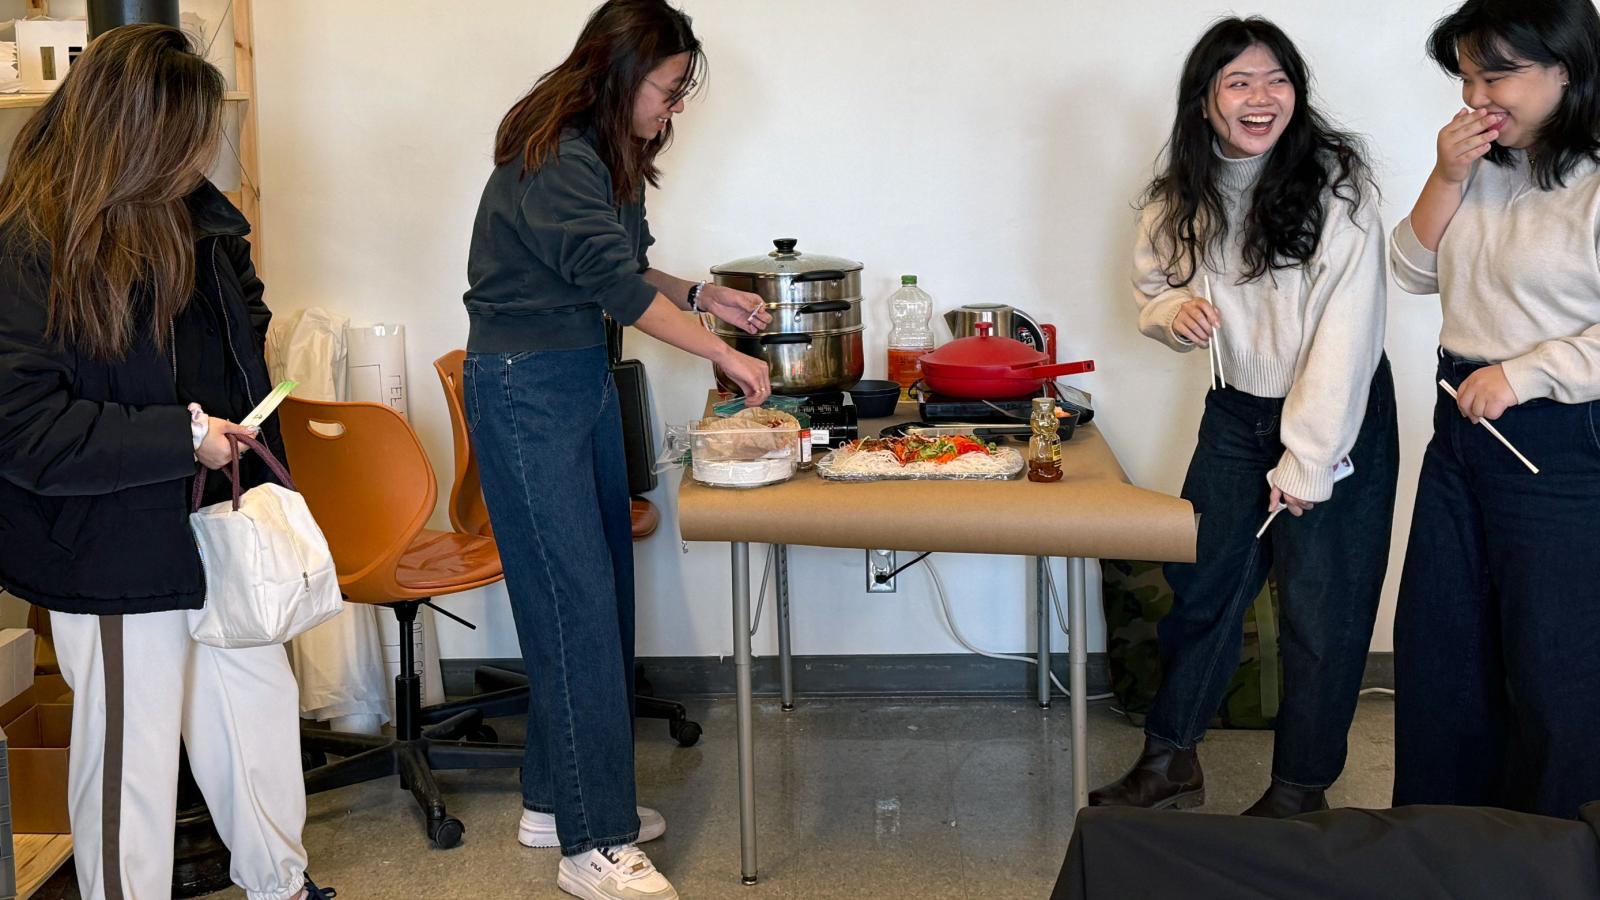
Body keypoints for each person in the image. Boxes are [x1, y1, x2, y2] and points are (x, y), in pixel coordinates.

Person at [0, 25, 331, 900]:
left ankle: (282, 886)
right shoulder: (33, 249)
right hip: (110, 549)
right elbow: (25, 428)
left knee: (254, 727)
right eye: (183, 136)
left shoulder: (200, 217)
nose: (201, 153)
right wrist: (183, 436)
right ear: (131, 135)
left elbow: (243, 318)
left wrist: (236, 431)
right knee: (129, 768)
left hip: (223, 524)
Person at [460, 1, 770, 897]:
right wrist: (717, 350)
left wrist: (707, 295)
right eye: (668, 91)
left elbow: (627, 269)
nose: (672, 111)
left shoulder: (599, 154)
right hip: (526, 389)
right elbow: (611, 284)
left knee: (601, 594)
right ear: (620, 72)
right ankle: (593, 846)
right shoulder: (556, 155)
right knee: (575, 610)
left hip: (580, 378)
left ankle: (557, 801)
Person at [1092, 16, 1398, 818]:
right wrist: (1171, 315)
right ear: (1205, 102)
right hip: (1235, 412)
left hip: (1341, 412)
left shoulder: (1339, 184)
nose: (1262, 98)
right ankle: (1170, 759)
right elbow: (1153, 289)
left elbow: (1347, 331)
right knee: (1203, 590)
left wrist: (1308, 457)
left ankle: (1299, 790)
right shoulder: (1179, 194)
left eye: (1277, 80)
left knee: (1320, 613)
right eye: (1239, 82)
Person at [1391, 0, 1600, 820]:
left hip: (1561, 437)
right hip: (1462, 424)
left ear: (1568, 70)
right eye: (1470, 76)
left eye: (1498, 74)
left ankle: (1556, 856)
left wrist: (1531, 372)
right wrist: (1447, 176)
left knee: (1555, 667)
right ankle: (1444, 848)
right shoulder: (1482, 159)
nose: (1478, 95)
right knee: (1443, 650)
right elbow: (1411, 272)